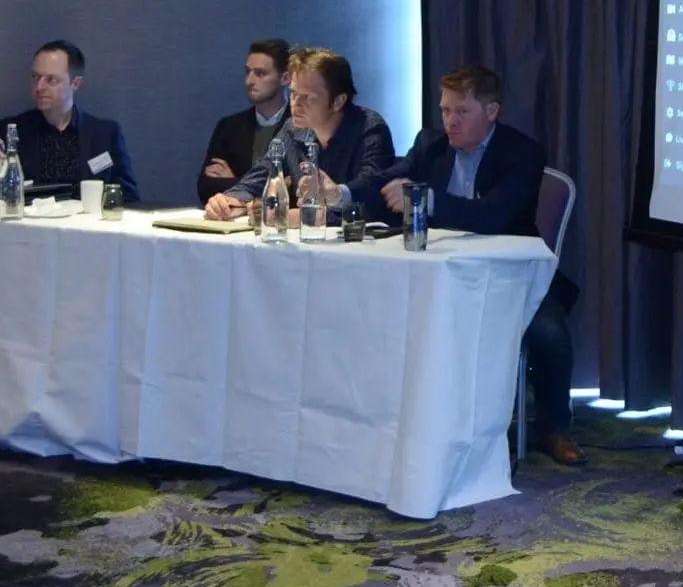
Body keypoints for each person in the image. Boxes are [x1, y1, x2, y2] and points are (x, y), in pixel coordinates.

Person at [373, 64, 583, 466]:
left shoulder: (522, 152)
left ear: (491, 112)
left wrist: (426, 200)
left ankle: (553, 428)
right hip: (443, 272)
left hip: (512, 273)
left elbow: (494, 216)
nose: (450, 121)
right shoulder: (431, 145)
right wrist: (343, 192)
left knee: (549, 332)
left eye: (462, 111)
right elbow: (388, 180)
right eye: (445, 110)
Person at [204, 47, 395, 221]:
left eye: (307, 97)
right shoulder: (293, 128)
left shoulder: (368, 127)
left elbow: (370, 193)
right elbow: (262, 176)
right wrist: (230, 201)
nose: (295, 104)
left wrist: (308, 215)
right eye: (294, 93)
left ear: (338, 101)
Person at [0, 40, 139, 201]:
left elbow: (129, 196)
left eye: (51, 80)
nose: (39, 87)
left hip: (86, 226)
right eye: (35, 77)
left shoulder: (105, 134)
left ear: (75, 83)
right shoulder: (11, 131)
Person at [197, 39, 293, 204]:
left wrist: (235, 180)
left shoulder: (300, 127)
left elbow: (295, 190)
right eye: (248, 72)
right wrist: (247, 185)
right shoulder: (229, 127)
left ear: (285, 78)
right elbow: (205, 188)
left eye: (260, 74)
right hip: (233, 217)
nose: (249, 81)